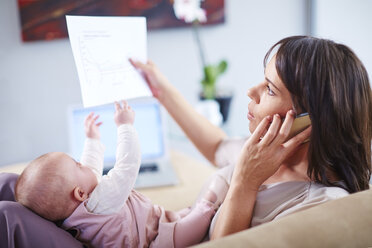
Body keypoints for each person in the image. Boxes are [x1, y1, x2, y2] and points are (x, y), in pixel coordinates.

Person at [130, 35, 372, 239]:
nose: (251, 91)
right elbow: (217, 147)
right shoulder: (264, 153)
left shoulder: (320, 205)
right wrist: (162, 91)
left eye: (269, 89)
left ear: (309, 121)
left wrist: (245, 182)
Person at [15, 100, 227, 247]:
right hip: (151, 241)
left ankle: (187, 214)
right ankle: (205, 212)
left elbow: (92, 168)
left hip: (153, 221)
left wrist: (92, 140)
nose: (83, 163)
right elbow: (127, 164)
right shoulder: (102, 201)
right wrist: (125, 126)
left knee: (175, 216)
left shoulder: (80, 209)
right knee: (184, 231)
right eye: (78, 165)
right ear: (79, 193)